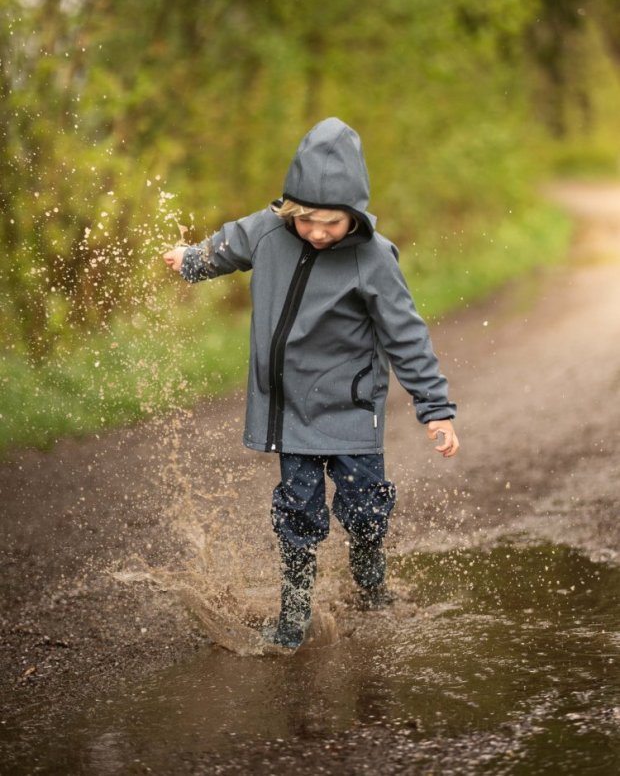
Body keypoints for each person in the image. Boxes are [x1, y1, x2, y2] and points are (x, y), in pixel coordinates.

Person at [163, 117, 459, 650]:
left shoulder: (373, 257)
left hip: (349, 408)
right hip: (291, 409)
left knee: (366, 506)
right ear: (291, 209)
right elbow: (228, 245)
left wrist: (434, 407)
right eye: (308, 222)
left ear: (355, 216)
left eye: (333, 224)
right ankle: (295, 613)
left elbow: (405, 334)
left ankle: (371, 576)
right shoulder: (269, 230)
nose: (319, 233)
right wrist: (191, 261)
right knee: (298, 510)